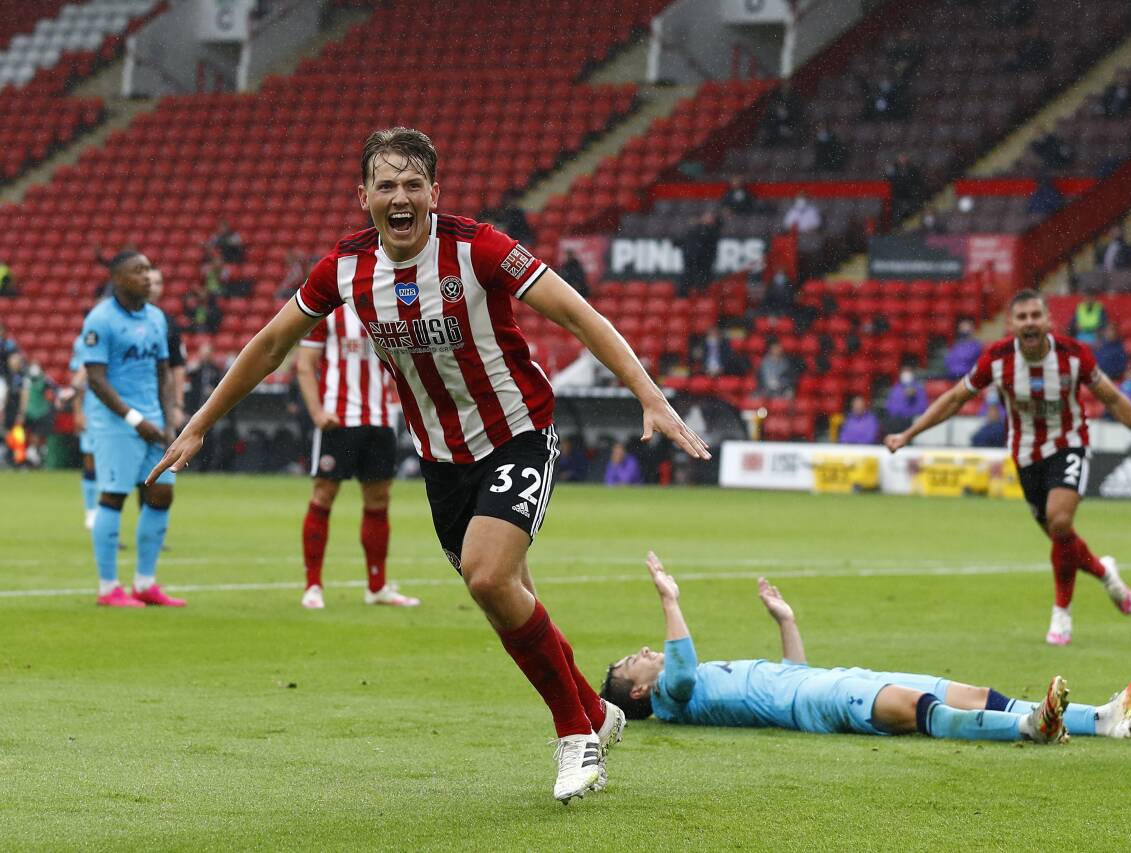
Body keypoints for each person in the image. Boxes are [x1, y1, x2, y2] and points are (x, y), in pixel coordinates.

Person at [147, 127, 709, 802]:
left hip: (517, 434)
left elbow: (576, 313)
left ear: (435, 193)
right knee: (508, 597)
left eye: (414, 184)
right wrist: (199, 424)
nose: (401, 196)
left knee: (487, 575)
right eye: (385, 185)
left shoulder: (479, 248)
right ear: (364, 198)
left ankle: (575, 735)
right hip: (442, 461)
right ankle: (595, 710)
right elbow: (271, 345)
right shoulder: (346, 268)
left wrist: (649, 393)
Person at [601, 552, 1131, 745]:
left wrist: (786, 622)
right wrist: (669, 599)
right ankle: (1029, 728)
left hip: (818, 683)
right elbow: (680, 671)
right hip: (815, 705)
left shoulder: (686, 686)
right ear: (643, 690)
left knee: (962, 691)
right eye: (634, 660)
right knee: (918, 712)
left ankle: (1102, 719)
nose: (645, 650)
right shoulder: (673, 698)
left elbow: (795, 671)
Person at [884, 290, 1131, 646]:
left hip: (1069, 444)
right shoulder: (996, 359)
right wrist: (909, 433)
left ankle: (1061, 615)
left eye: (1034, 316)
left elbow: (1114, 400)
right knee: (1062, 538)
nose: (1029, 323)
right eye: (1021, 317)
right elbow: (954, 398)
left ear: (1048, 321)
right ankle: (1105, 573)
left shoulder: (1074, 356)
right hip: (1025, 456)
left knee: (1059, 520)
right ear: (1011, 325)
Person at [295, 303, 418, 610]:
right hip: (338, 420)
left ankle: (376, 587)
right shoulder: (327, 310)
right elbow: (305, 364)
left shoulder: (387, 304)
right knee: (323, 494)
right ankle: (313, 586)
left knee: (379, 499)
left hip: (380, 419)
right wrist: (317, 412)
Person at [81, 251, 185, 608]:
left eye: (148, 270)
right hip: (116, 424)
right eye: (138, 271)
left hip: (155, 422)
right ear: (117, 278)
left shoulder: (156, 318)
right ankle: (108, 587)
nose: (146, 276)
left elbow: (162, 372)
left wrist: (169, 418)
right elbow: (95, 380)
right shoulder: (100, 319)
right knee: (114, 495)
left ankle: (144, 583)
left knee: (161, 495)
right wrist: (134, 420)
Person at [149, 268, 187, 429]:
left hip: (160, 403)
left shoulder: (168, 323)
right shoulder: (117, 319)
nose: (153, 287)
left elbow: (177, 365)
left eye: (158, 283)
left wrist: (177, 405)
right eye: (149, 282)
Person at [69, 332, 99, 529]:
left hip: (117, 411)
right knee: (90, 461)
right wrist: (78, 411)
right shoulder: (84, 341)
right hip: (91, 410)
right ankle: (91, 511)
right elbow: (77, 381)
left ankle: (106, 514)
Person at [883, 368, 927, 433]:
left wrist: (912, 398)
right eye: (904, 373)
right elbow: (891, 408)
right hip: (898, 421)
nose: (906, 376)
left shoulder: (919, 389)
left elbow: (922, 408)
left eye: (908, 372)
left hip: (913, 421)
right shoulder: (895, 389)